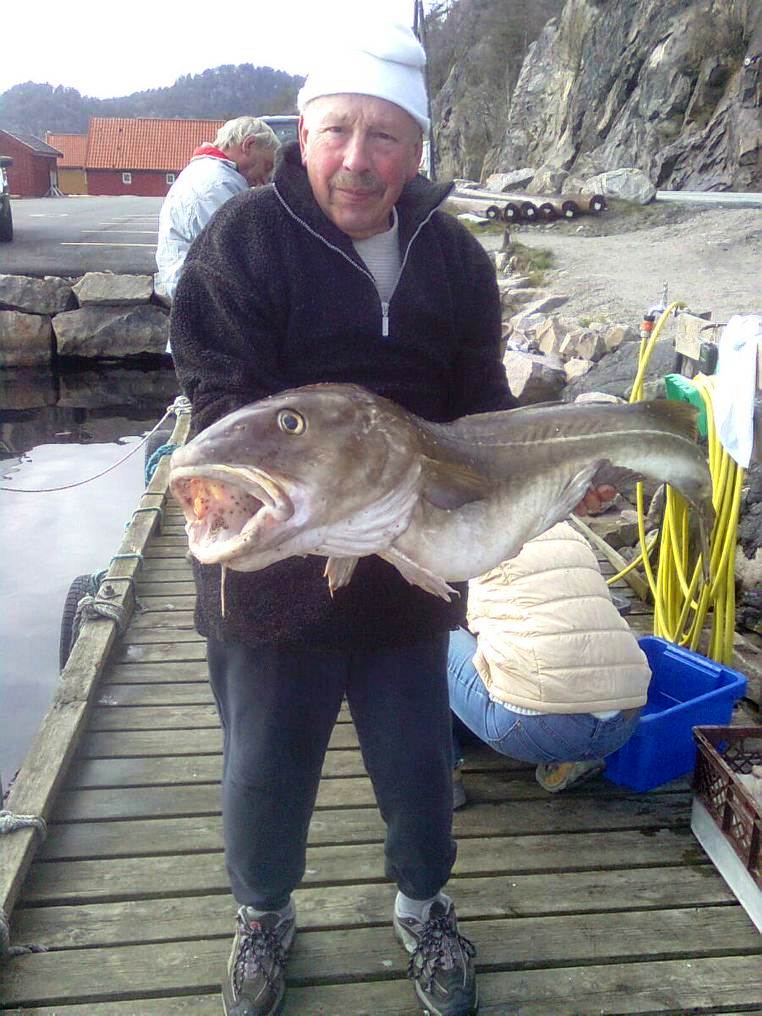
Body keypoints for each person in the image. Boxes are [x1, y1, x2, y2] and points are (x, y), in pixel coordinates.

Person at [169, 21, 614, 1016]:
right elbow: (219, 401)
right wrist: (311, 507)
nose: (357, 159)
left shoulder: (453, 258)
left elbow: (482, 416)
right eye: (337, 131)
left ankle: (425, 907)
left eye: (384, 137)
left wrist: (554, 484)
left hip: (413, 566)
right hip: (270, 570)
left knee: (420, 767)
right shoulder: (242, 243)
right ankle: (261, 915)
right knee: (264, 772)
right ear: (303, 135)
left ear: (416, 150)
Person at [448, 521, 652, 805]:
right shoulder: (569, 533)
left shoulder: (475, 535)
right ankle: (572, 758)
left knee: (428, 634)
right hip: (623, 724)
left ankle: (445, 778)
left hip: (533, 729)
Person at [156, 116, 279, 299]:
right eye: (267, 166)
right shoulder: (217, 184)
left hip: (191, 284)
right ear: (249, 145)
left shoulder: (205, 172)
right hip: (202, 295)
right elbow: (238, 252)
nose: (265, 180)